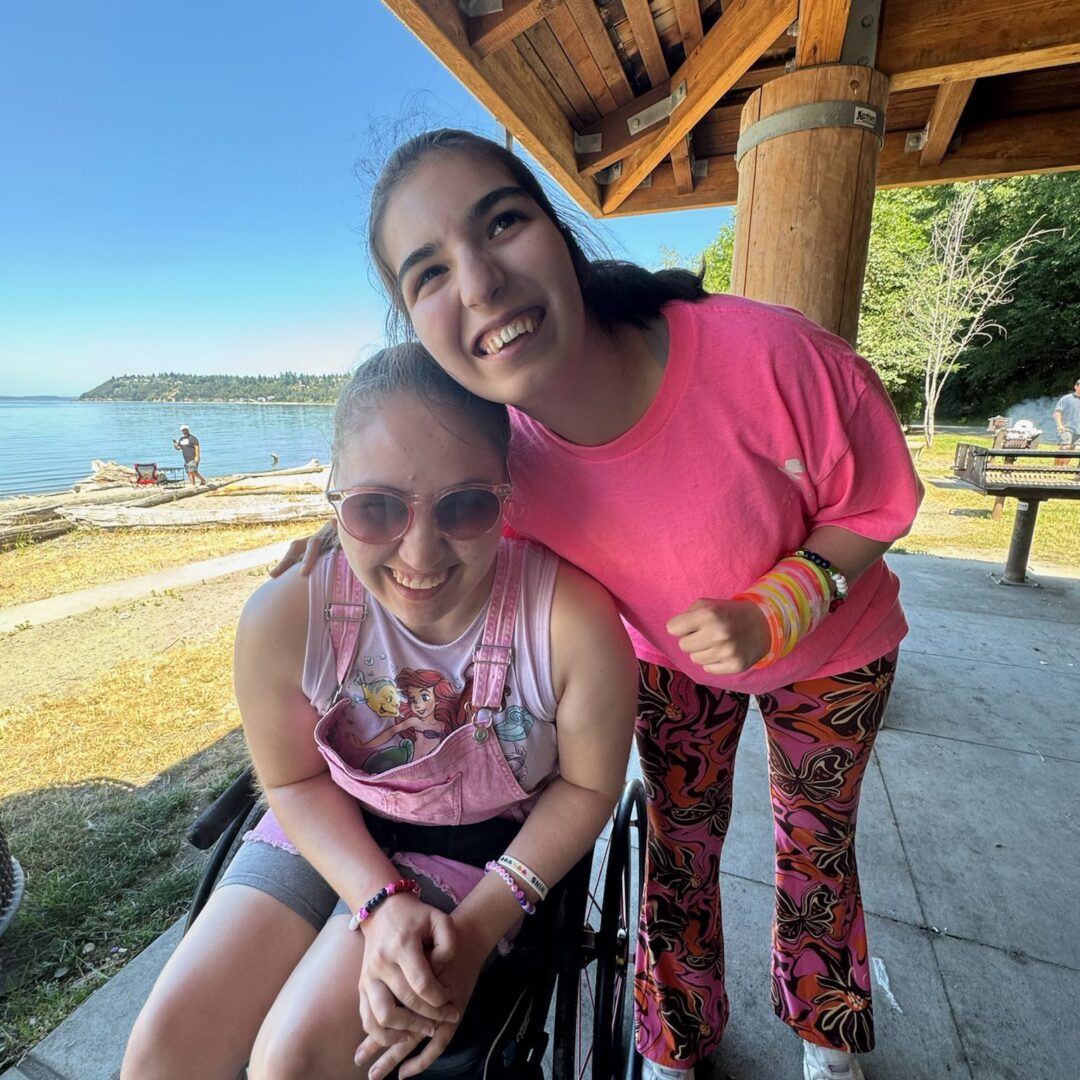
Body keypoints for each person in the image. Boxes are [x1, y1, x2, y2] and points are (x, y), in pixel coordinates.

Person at [280, 129, 924, 1080]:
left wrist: (781, 603)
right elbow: (427, 493)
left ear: (561, 233)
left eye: (502, 222)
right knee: (678, 849)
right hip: (667, 664)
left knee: (816, 844)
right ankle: (677, 1038)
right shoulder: (497, 460)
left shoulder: (770, 355)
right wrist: (350, 532)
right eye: (428, 273)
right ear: (415, 328)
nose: (482, 284)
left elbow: (881, 498)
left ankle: (826, 1034)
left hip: (835, 652)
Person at [122, 344, 636, 1080]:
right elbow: (295, 782)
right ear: (335, 498)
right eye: (376, 508)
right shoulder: (286, 618)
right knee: (164, 1053)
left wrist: (480, 922)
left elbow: (589, 788)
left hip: (481, 851)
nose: (420, 553)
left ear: (505, 495)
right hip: (329, 818)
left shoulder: (569, 623)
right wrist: (378, 900)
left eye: (464, 505)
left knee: (291, 1060)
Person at [1053, 377, 1080, 466]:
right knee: (1065, 447)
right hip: (1067, 429)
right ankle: (1055, 468)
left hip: (1079, 431)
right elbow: (1057, 412)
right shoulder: (1066, 398)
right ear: (1075, 386)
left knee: (1072, 450)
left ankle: (1064, 468)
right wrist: (1060, 425)